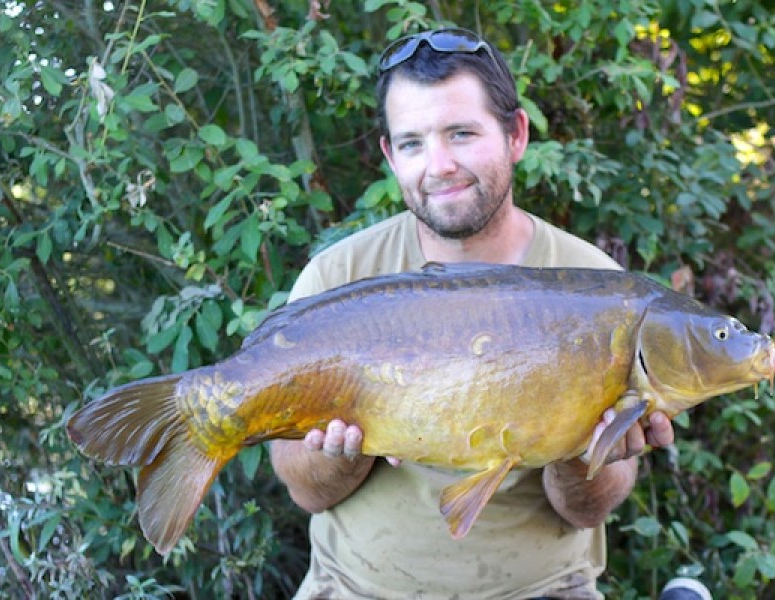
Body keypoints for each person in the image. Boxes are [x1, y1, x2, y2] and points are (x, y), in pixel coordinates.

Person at [270, 28, 677, 599]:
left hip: (542, 588)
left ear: (516, 135)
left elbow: (585, 511)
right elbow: (307, 494)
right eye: (412, 143)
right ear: (389, 156)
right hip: (355, 588)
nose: (439, 165)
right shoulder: (339, 279)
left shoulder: (598, 289)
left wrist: (577, 452)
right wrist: (339, 457)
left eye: (461, 133)